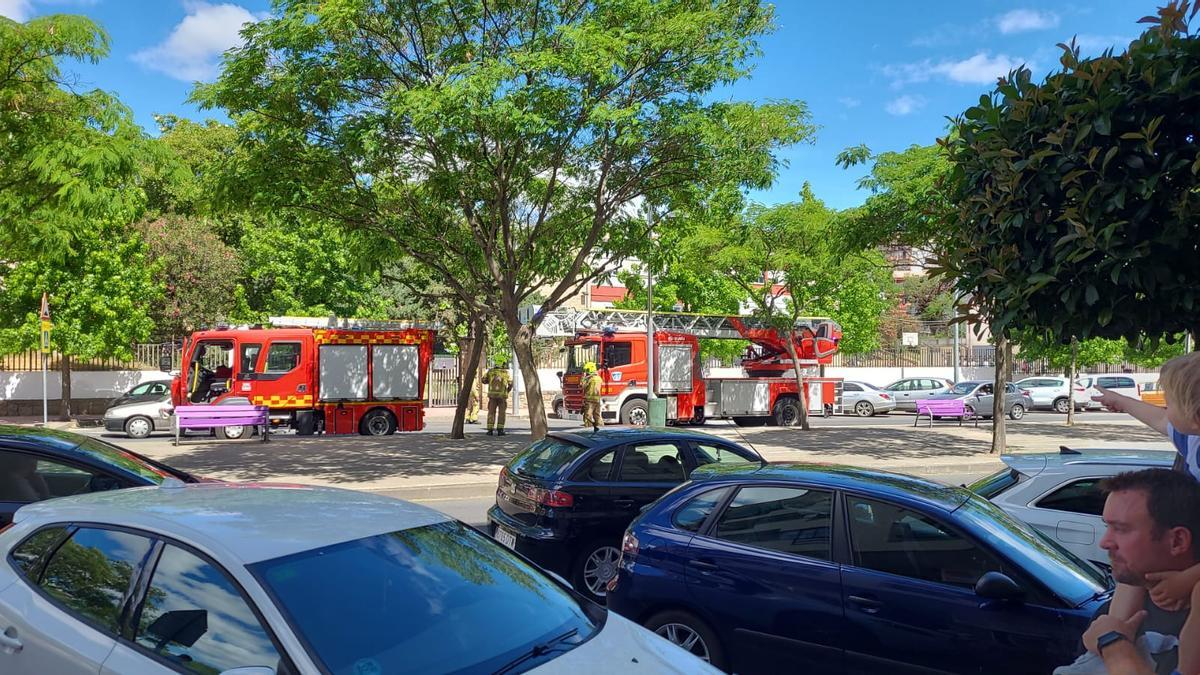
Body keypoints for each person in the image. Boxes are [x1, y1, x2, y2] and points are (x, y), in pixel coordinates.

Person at [1092, 352, 1200, 672]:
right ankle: (1116, 625)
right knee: (1134, 562)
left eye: (1171, 401)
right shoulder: (1193, 438)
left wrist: (1188, 580)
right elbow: (1159, 420)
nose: (1166, 408)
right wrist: (1121, 402)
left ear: (1195, 414)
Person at [1070, 469, 1200, 675]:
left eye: (1121, 529)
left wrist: (1111, 641)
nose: (1104, 542)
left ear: (1177, 541)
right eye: (1107, 526)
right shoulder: (1111, 612)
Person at [482, 359, 513, 436]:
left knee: (491, 412)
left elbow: (483, 380)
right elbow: (511, 383)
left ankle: (490, 430)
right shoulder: (505, 373)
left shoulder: (490, 372)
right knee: (501, 413)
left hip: (492, 396)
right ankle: (500, 429)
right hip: (502, 396)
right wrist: (507, 391)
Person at [581, 361, 602, 431]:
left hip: (590, 400)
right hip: (597, 400)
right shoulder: (599, 378)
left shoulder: (590, 379)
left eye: (586, 370)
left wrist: (583, 377)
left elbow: (582, 386)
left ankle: (588, 430)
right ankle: (602, 429)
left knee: (588, 416)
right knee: (597, 416)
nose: (586, 372)